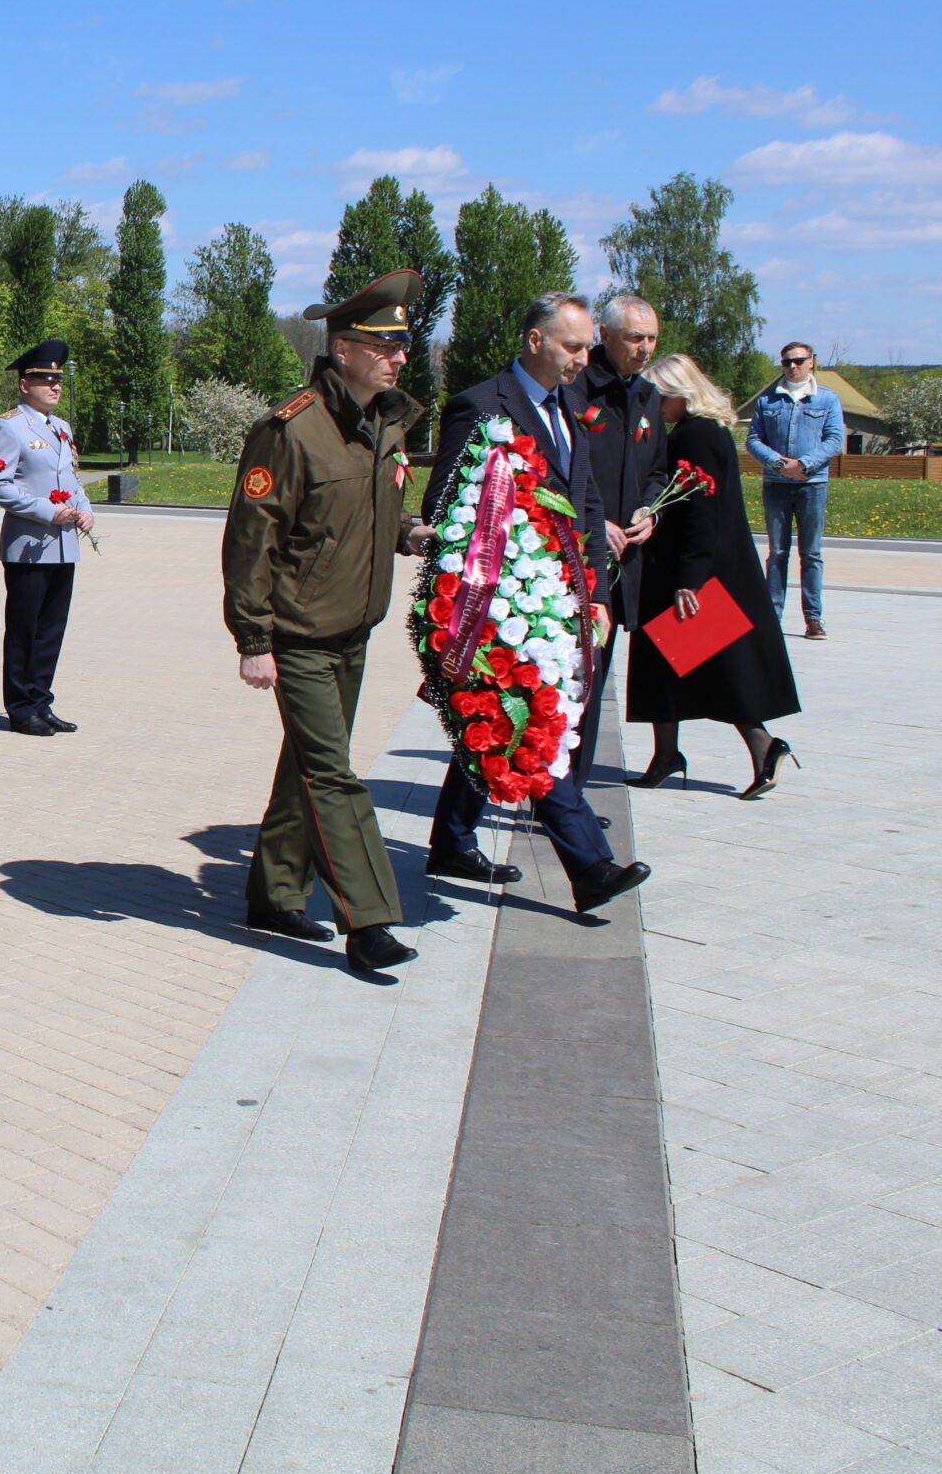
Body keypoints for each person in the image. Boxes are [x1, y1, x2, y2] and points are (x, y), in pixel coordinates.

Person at [224, 270, 433, 971]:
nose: (399, 357)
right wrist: (254, 638)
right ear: (342, 348)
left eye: (403, 344)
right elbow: (252, 540)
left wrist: (406, 533)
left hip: (354, 627)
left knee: (307, 764)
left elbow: (355, 514)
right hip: (300, 632)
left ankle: (274, 892)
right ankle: (368, 920)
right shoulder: (293, 428)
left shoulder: (383, 421)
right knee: (335, 772)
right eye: (384, 345)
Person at [423, 292, 651, 922]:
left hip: (565, 598)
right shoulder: (481, 405)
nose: (583, 360)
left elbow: (590, 503)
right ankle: (591, 866)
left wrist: (598, 595)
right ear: (535, 341)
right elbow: (443, 506)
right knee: (534, 728)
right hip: (504, 603)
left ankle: (450, 840)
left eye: (585, 348)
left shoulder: (571, 406)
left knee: (498, 723)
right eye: (572, 347)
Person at [628, 355, 803, 800]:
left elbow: (701, 509)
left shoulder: (697, 434)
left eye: (656, 397)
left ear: (677, 393)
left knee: (717, 664)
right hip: (690, 563)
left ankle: (764, 745)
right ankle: (666, 754)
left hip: (692, 568)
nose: (651, 407)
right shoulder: (705, 430)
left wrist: (691, 577)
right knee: (662, 661)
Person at [577, 295, 670, 784]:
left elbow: (656, 469)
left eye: (652, 338)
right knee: (573, 678)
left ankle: (574, 793)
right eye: (636, 337)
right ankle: (558, 794)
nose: (645, 348)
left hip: (624, 560)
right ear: (605, 335)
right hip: (577, 555)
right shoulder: (576, 388)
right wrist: (595, 522)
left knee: (598, 676)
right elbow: (562, 471)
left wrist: (650, 509)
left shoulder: (648, 397)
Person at [0, 341, 96, 736]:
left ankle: (41, 700)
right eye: (45, 380)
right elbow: (0, 486)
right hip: (29, 546)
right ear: (23, 384)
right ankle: (20, 706)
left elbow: (71, 479)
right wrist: (49, 511)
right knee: (25, 628)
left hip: (64, 544)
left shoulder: (62, 428)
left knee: (52, 628)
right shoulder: (10, 426)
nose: (54, 387)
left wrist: (85, 509)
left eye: (58, 380)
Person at [747, 342, 845, 641]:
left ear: (811, 362)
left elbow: (834, 439)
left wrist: (804, 463)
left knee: (811, 553)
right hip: (776, 485)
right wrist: (778, 463)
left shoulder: (827, 399)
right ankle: (772, 617)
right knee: (777, 552)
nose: (793, 366)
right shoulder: (767, 401)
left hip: (811, 485)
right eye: (787, 362)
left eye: (799, 360)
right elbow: (753, 439)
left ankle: (813, 619)